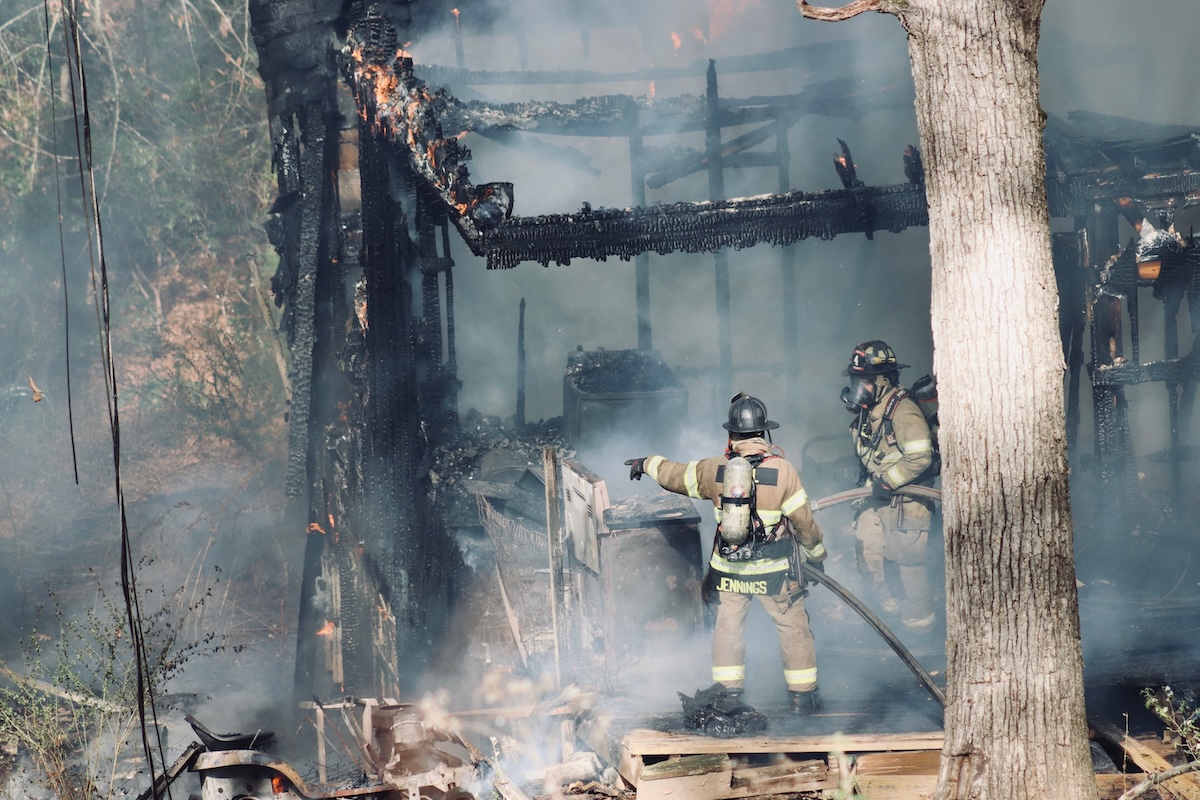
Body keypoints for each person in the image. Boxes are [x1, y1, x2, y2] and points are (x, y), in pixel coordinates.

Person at [626, 393, 827, 715]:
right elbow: (804, 523)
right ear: (764, 433)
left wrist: (646, 463)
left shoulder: (715, 469)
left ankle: (728, 696)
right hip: (774, 572)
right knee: (793, 627)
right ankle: (803, 698)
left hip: (731, 572)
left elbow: (675, 475)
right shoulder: (784, 471)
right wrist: (816, 555)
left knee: (728, 629)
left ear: (732, 435)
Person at [840, 340, 936, 632]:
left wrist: (888, 481)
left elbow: (921, 456)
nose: (858, 388)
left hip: (907, 503)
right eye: (856, 381)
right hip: (878, 498)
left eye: (864, 382)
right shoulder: (872, 411)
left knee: (907, 569)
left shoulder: (903, 410)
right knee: (867, 554)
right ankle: (889, 620)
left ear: (882, 381)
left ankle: (919, 627)